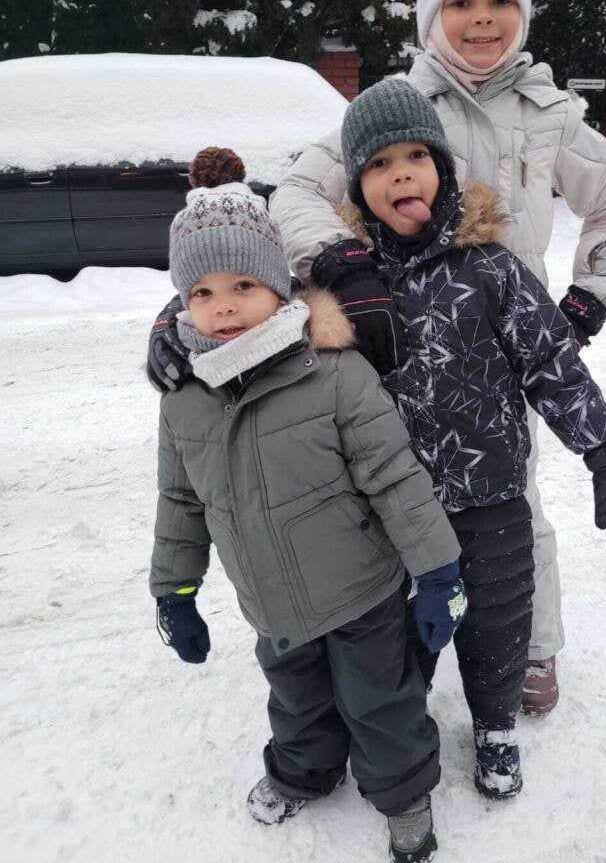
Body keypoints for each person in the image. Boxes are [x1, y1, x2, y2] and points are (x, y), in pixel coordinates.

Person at [265, 0, 606, 714]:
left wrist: (584, 302)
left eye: (500, 2)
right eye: (462, 2)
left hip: (502, 345)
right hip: (397, 345)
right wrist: (340, 264)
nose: (482, 19)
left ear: (523, 14)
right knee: (388, 496)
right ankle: (392, 642)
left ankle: (530, 648)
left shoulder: (552, 116)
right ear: (431, 15)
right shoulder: (393, 106)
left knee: (515, 507)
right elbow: (296, 195)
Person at [307, 77, 606, 800]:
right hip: (391, 510)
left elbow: (552, 362)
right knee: (399, 640)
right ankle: (404, 734)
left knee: (496, 627)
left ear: (442, 170)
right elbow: (255, 323)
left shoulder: (491, 267)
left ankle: (493, 727)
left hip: (490, 495)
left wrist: (604, 455)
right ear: (359, 191)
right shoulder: (346, 287)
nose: (400, 172)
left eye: (415, 155)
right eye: (378, 163)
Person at [149, 146, 466, 863]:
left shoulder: (333, 373)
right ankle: (304, 770)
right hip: (272, 604)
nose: (223, 305)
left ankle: (403, 790)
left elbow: (394, 475)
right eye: (201, 292)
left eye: (241, 285)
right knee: (297, 702)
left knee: (381, 702)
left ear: (277, 289)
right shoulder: (184, 400)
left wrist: (439, 571)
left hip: (360, 594)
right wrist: (175, 590)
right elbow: (180, 499)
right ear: (181, 304)